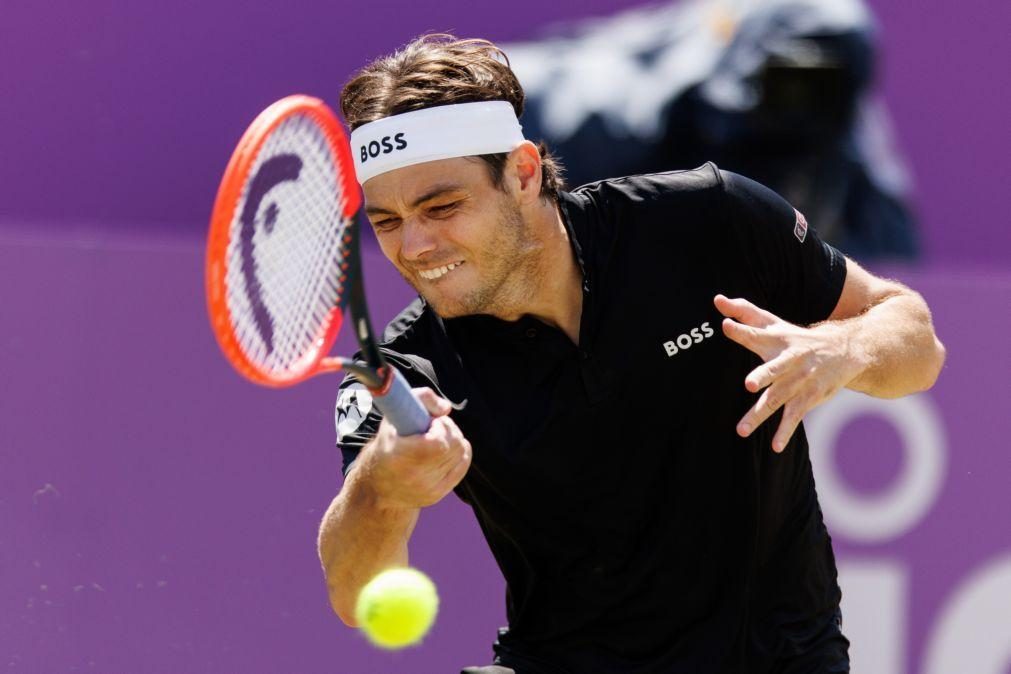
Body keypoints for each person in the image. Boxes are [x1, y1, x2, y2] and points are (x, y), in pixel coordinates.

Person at [317, 35, 945, 674]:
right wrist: (381, 488)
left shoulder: (707, 218)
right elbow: (354, 592)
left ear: (524, 173)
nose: (416, 245)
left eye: (442, 206)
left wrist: (844, 347)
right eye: (387, 221)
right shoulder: (405, 364)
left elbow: (915, 338)